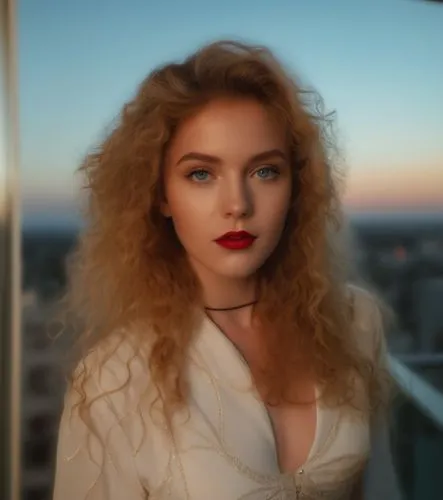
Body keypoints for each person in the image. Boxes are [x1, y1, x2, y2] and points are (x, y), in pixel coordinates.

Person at [52, 40, 401, 500]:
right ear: (159, 196)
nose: (237, 204)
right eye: (201, 174)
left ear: (296, 188)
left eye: (264, 172)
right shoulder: (113, 380)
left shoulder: (357, 322)